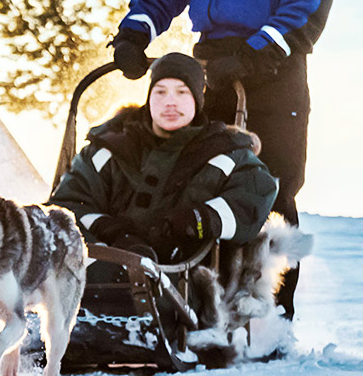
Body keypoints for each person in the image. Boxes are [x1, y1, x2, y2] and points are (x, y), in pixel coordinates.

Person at [108, 0, 333, 319]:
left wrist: (254, 56)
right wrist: (133, 37)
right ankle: (195, 305)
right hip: (211, 71)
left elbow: (302, 9)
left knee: (271, 186)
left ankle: (272, 315)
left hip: (276, 74)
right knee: (195, 180)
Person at [51, 53, 277, 264]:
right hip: (100, 268)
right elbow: (67, 205)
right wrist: (114, 232)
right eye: (160, 92)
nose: (170, 102)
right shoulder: (107, 148)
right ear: (148, 97)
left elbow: (254, 195)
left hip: (184, 278)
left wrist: (197, 220)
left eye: (182, 92)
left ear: (198, 99)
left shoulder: (225, 153)